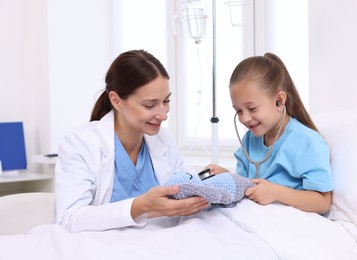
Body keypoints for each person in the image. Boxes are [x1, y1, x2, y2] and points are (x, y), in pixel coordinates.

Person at [55, 50, 209, 232]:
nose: (163, 114)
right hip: (103, 248)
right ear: (117, 101)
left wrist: (209, 183)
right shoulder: (80, 143)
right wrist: (140, 206)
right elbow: (69, 219)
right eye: (150, 105)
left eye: (166, 101)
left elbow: (186, 187)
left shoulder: (163, 139)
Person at [206, 53, 333, 214]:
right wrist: (227, 177)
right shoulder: (250, 140)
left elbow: (323, 202)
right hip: (253, 217)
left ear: (279, 101)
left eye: (252, 109)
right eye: (238, 111)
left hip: (289, 221)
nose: (245, 118)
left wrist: (277, 193)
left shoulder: (307, 143)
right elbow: (248, 186)